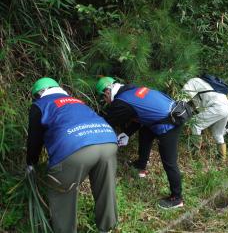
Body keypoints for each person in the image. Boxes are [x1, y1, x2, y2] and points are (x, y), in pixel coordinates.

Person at [26, 77, 118, 233]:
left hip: (74, 146)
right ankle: (107, 227)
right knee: (106, 187)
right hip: (108, 140)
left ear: (40, 93)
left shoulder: (40, 105)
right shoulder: (76, 101)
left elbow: (35, 139)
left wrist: (30, 163)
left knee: (62, 192)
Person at [95, 76, 184, 209]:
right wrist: (127, 134)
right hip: (171, 113)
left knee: (169, 162)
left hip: (169, 124)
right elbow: (141, 115)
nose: (105, 101)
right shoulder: (131, 89)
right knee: (145, 133)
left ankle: (177, 198)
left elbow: (106, 123)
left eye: (103, 98)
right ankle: (140, 166)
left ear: (107, 92)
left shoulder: (120, 102)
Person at [182, 77, 228, 161]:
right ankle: (222, 159)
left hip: (217, 107)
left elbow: (183, 97)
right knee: (218, 134)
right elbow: (199, 106)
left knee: (196, 124)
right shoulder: (208, 85)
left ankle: (194, 155)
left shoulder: (193, 81)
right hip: (227, 108)